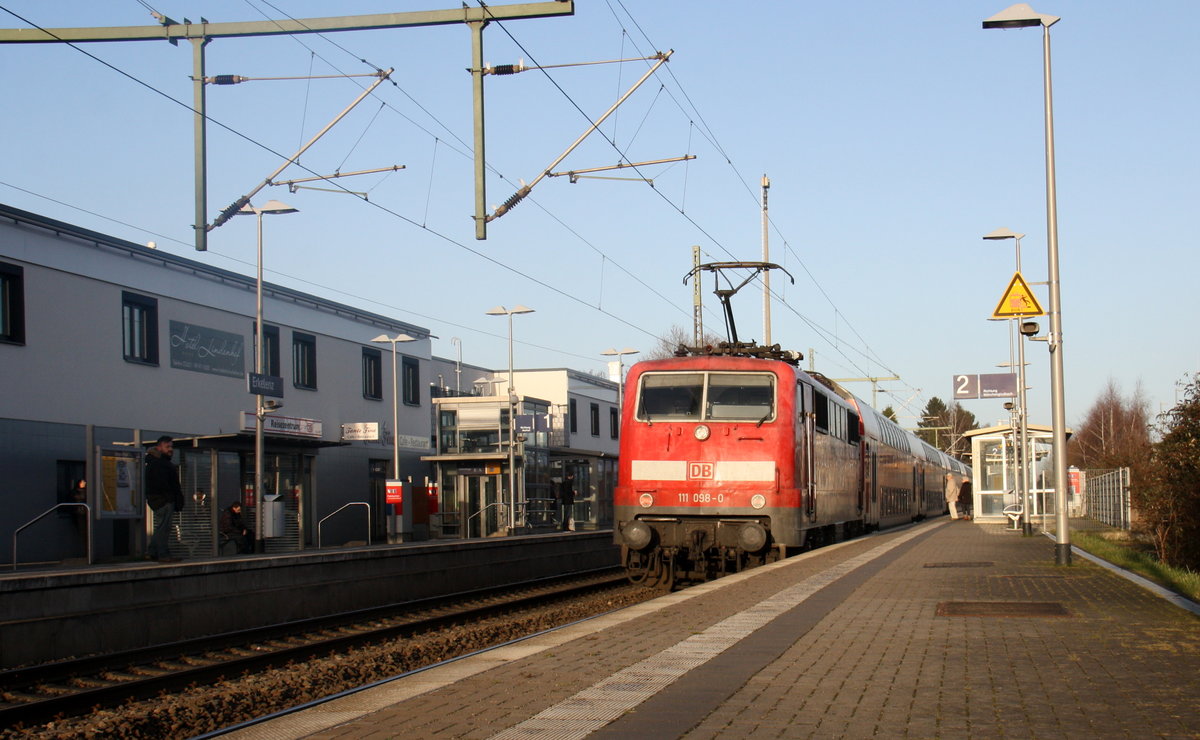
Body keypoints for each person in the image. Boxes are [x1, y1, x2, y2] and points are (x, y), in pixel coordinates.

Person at [144, 435, 184, 561]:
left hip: (160, 499)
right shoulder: (159, 463)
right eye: (167, 446)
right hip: (163, 500)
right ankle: (163, 553)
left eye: (171, 446)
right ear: (159, 447)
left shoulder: (156, 462)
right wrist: (169, 498)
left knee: (161, 526)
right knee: (164, 527)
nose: (170, 449)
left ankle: (152, 551)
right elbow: (162, 483)